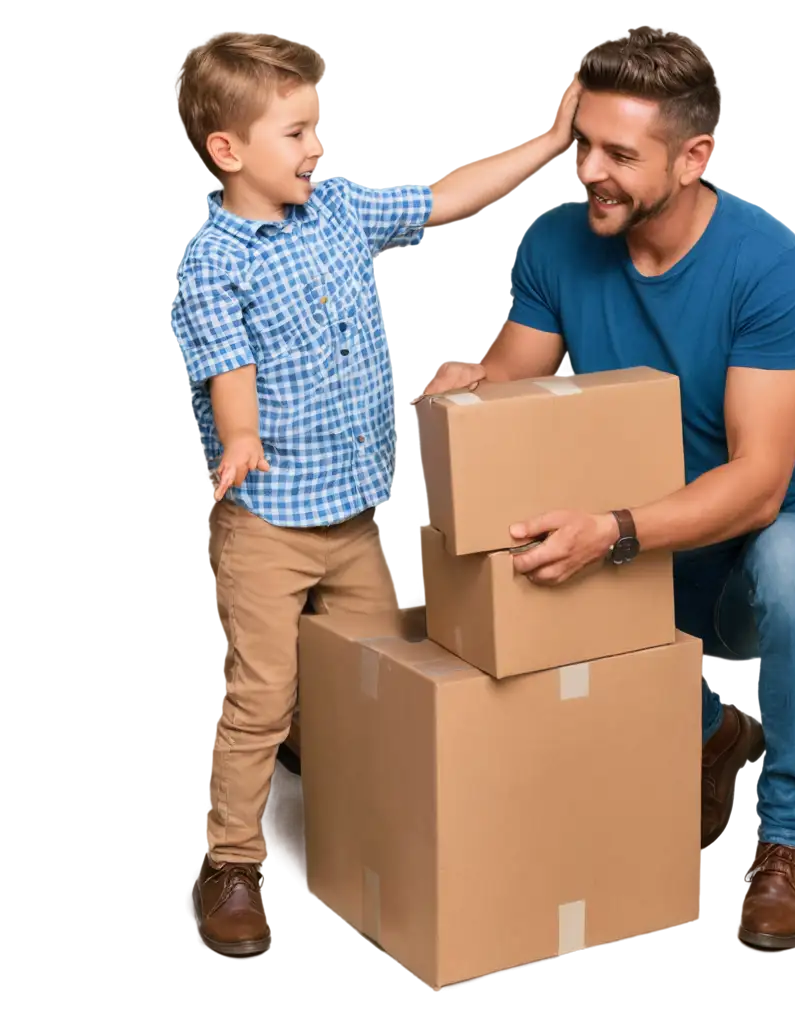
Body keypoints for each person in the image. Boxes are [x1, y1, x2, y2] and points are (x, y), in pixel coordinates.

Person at [416, 28, 795, 950]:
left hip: (740, 529)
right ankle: (708, 734)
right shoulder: (553, 243)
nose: (590, 173)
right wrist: (471, 383)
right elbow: (518, 377)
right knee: (496, 581)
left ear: (694, 159)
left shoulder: (768, 265)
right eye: (584, 144)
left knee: (793, 565)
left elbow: (760, 483)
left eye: (620, 154)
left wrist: (613, 532)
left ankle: (786, 840)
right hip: (625, 520)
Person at [168, 31, 581, 957]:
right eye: (297, 133)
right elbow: (228, 370)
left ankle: (372, 814)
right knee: (261, 695)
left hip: (354, 515)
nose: (318, 149)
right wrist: (239, 438)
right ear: (230, 150)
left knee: (382, 669)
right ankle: (231, 860)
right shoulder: (212, 261)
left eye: (318, 128)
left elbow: (448, 194)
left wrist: (549, 142)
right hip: (269, 523)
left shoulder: (341, 210)